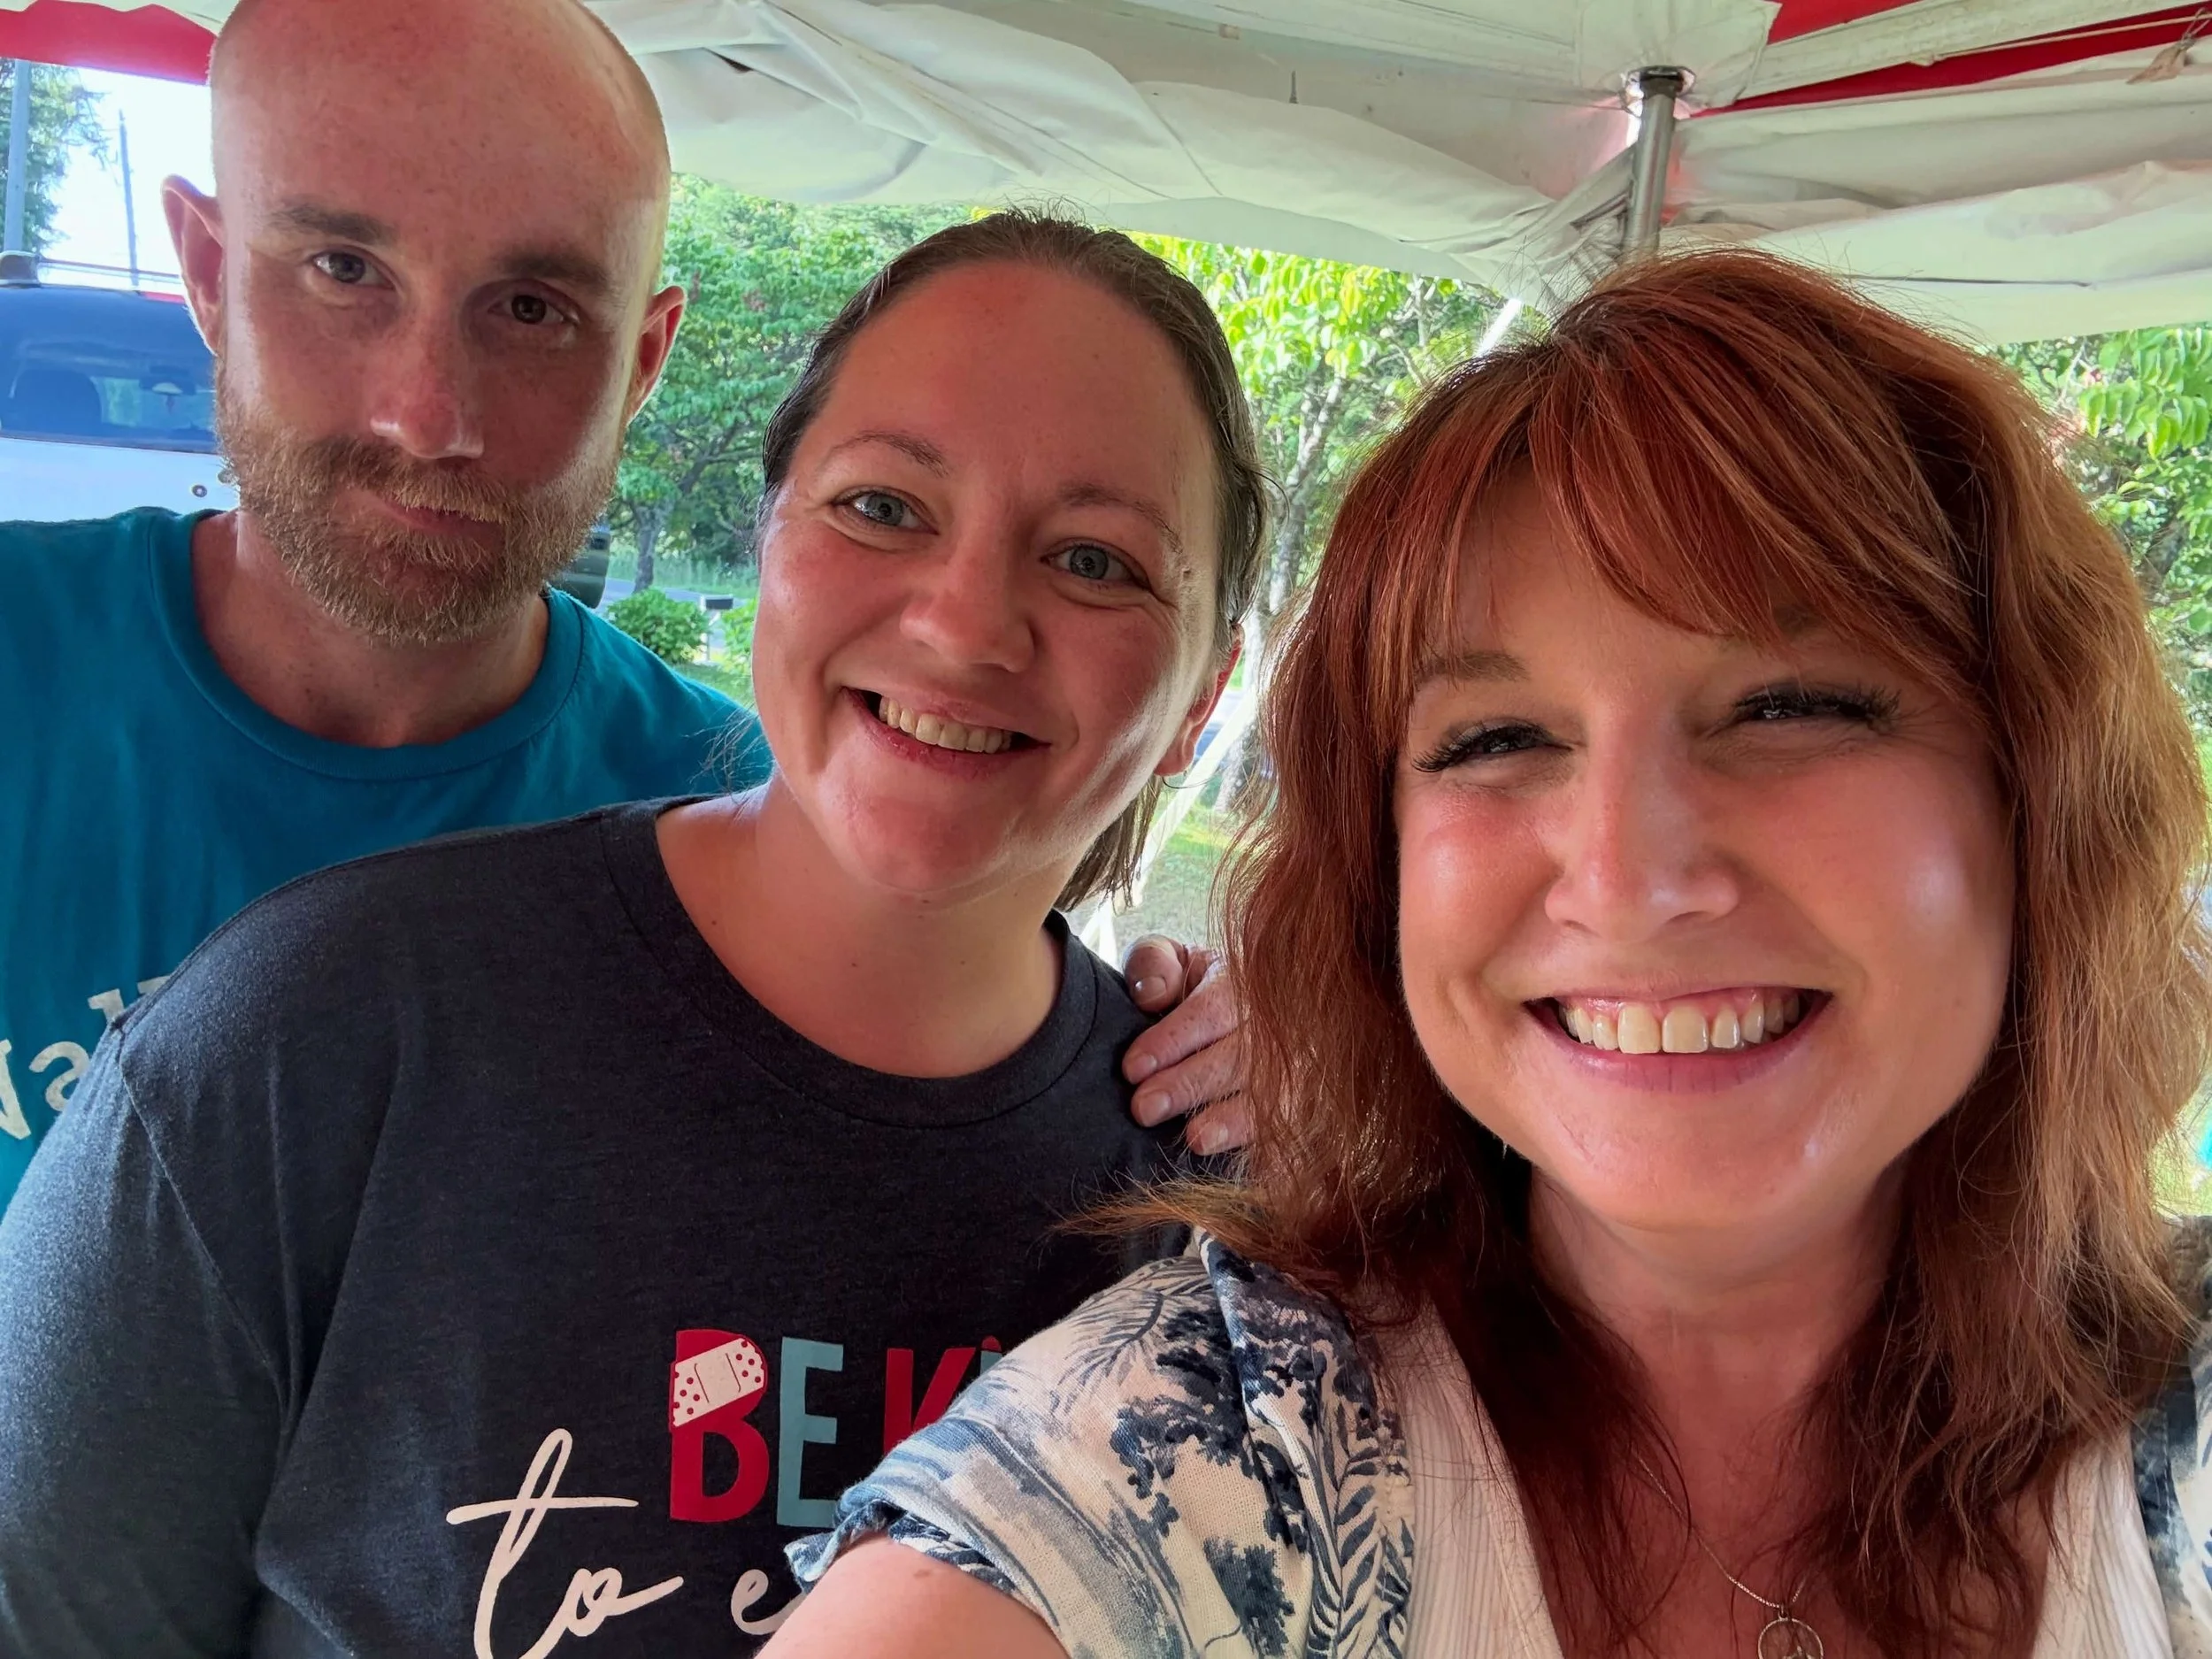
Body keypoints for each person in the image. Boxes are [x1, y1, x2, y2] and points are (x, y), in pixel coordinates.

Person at [771, 249, 2212, 1659]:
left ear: (2039, 794)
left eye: (1791, 705)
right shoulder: (1204, 1455)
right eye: (1498, 739)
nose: (1632, 879)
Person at [0, 209, 1266, 1654]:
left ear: (1206, 694)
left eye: (1098, 561)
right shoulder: (308, 1037)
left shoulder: (1233, 1219)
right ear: (769, 534)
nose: (967, 623)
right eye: (884, 506)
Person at [0, 0, 1238, 1220]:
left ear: (642, 361)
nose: (432, 416)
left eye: (533, 309)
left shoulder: (753, 828)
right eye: (344, 270)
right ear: (210, 274)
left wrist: (1245, 1043)